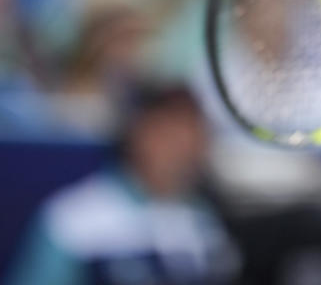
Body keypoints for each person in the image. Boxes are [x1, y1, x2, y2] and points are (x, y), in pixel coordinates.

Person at [5, 82, 240, 285]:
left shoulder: (207, 220)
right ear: (138, 135)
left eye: (193, 135)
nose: (182, 149)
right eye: (169, 134)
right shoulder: (70, 220)